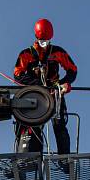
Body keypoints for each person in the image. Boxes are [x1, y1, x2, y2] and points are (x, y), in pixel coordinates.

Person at [13, 18, 77, 155]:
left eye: (47, 41)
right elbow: (18, 74)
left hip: (55, 94)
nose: (44, 44)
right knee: (33, 125)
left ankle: (64, 158)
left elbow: (72, 69)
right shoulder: (26, 54)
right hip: (36, 95)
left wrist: (63, 83)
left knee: (59, 124)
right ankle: (32, 158)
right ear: (36, 37)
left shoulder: (57, 52)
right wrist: (38, 85)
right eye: (42, 41)